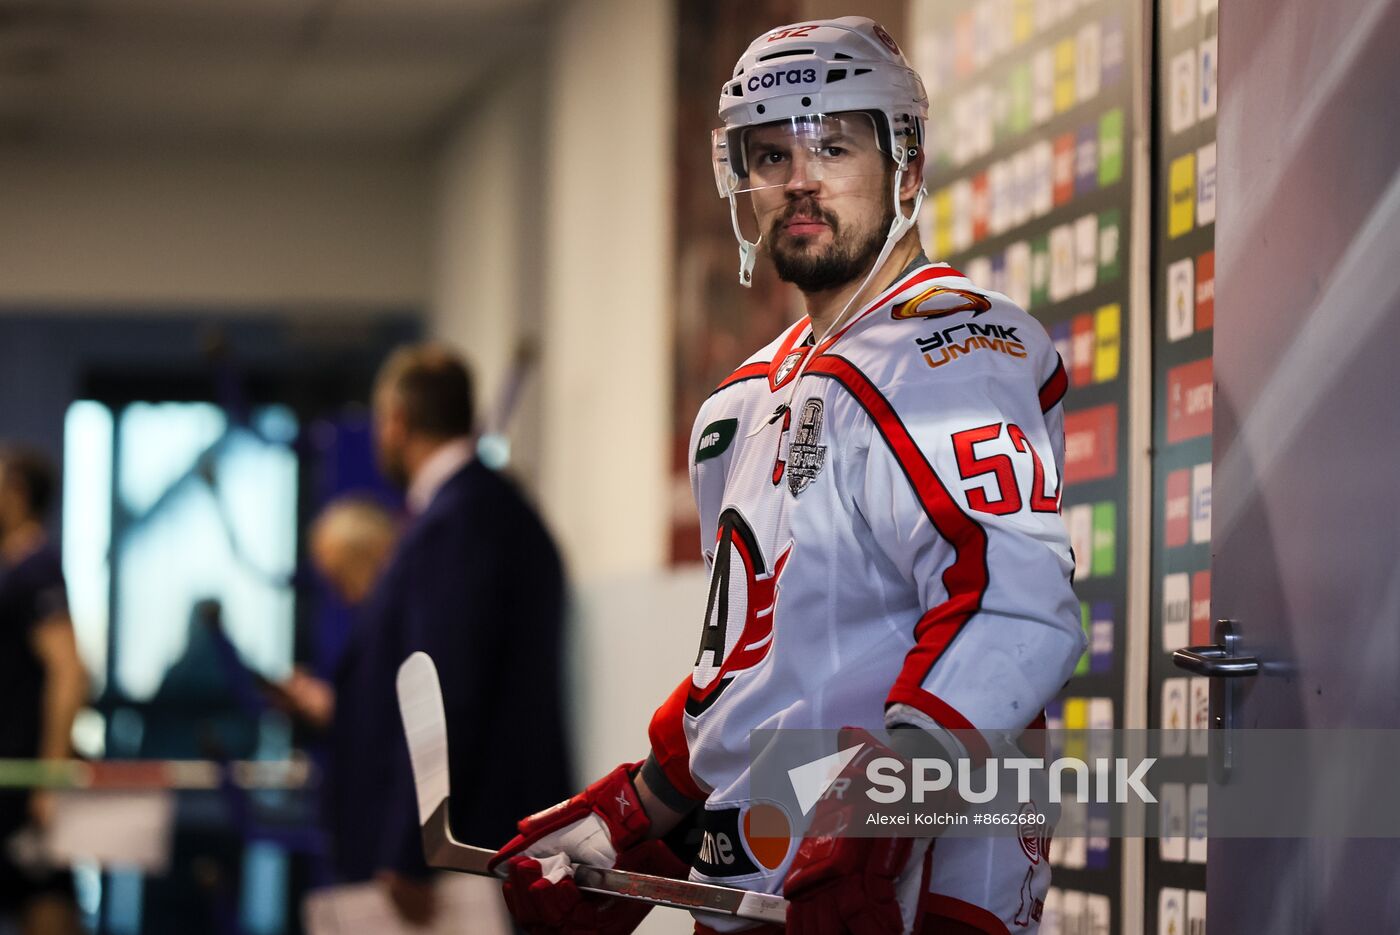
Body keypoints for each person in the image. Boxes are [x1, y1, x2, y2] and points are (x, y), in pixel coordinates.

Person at [489, 17, 1085, 935]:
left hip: (920, 887)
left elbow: (1010, 606)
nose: (798, 180)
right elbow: (746, 674)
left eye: (833, 145)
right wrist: (631, 818)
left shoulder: (954, 346)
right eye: (770, 153)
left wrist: (880, 813)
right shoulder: (737, 407)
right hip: (763, 886)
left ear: (907, 165)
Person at [324, 345, 572, 927]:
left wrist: (413, 849)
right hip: (476, 842)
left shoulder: (459, 522)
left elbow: (445, 694)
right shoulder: (485, 509)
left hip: (462, 855)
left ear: (397, 421)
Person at [0, 447, 86, 935]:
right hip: (10, 773)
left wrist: (50, 777)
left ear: (16, 493)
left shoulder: (37, 568)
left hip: (25, 782)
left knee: (46, 902)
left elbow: (70, 671)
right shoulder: (15, 571)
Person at [280, 496, 401, 732]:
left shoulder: (399, 626)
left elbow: (388, 721)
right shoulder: (374, 624)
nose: (340, 595)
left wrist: (332, 708)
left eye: (340, 577)